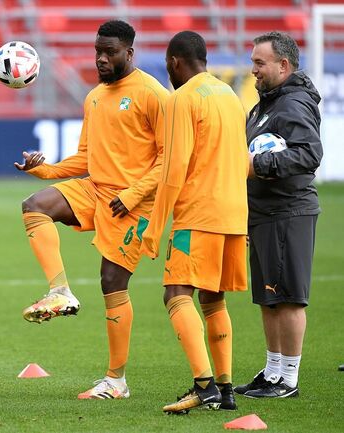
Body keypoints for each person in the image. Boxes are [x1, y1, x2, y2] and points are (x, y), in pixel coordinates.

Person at [15, 20, 169, 399]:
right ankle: (60, 291)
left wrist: (133, 194)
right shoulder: (95, 96)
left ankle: (116, 381)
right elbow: (86, 157)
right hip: (96, 189)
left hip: (134, 204)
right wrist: (44, 170)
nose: (100, 58)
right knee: (35, 206)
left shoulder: (153, 94)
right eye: (98, 51)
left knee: (111, 282)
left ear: (129, 53)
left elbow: (170, 159)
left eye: (109, 52)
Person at [140, 31, 249, 414]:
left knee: (176, 293)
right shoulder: (230, 95)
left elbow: (173, 170)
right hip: (234, 215)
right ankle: (226, 389)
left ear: (174, 62)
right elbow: (243, 161)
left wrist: (154, 228)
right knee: (213, 298)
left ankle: (204, 386)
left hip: (199, 215)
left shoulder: (182, 98)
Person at [234, 31, 322, 399]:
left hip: (288, 211)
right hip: (264, 213)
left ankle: (288, 379)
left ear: (283, 65)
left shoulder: (293, 104)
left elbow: (309, 154)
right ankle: (272, 372)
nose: (253, 69)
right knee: (269, 297)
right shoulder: (264, 106)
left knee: (287, 297)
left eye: (259, 62)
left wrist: (259, 164)